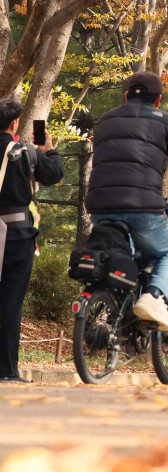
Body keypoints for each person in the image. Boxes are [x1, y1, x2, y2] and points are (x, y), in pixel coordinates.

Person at [86, 72, 168, 331]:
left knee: (128, 259)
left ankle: (117, 313)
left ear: (125, 97)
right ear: (158, 100)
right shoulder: (167, 122)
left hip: (99, 207)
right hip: (142, 208)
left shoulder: (105, 121)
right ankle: (154, 296)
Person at [0, 100, 64, 383]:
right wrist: (48, 148)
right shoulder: (25, 152)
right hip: (16, 234)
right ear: (14, 124)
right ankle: (7, 371)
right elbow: (54, 174)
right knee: (11, 302)